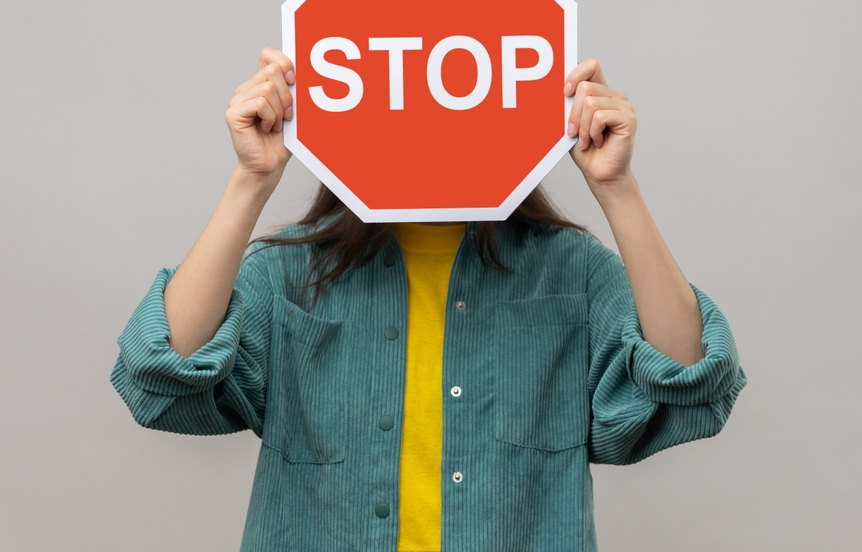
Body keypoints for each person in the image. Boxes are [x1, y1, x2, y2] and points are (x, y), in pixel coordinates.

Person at [111, 47, 746, 552]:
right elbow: (162, 373)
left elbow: (689, 382)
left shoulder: (568, 272)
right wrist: (250, 181)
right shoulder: (291, 274)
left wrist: (619, 187)